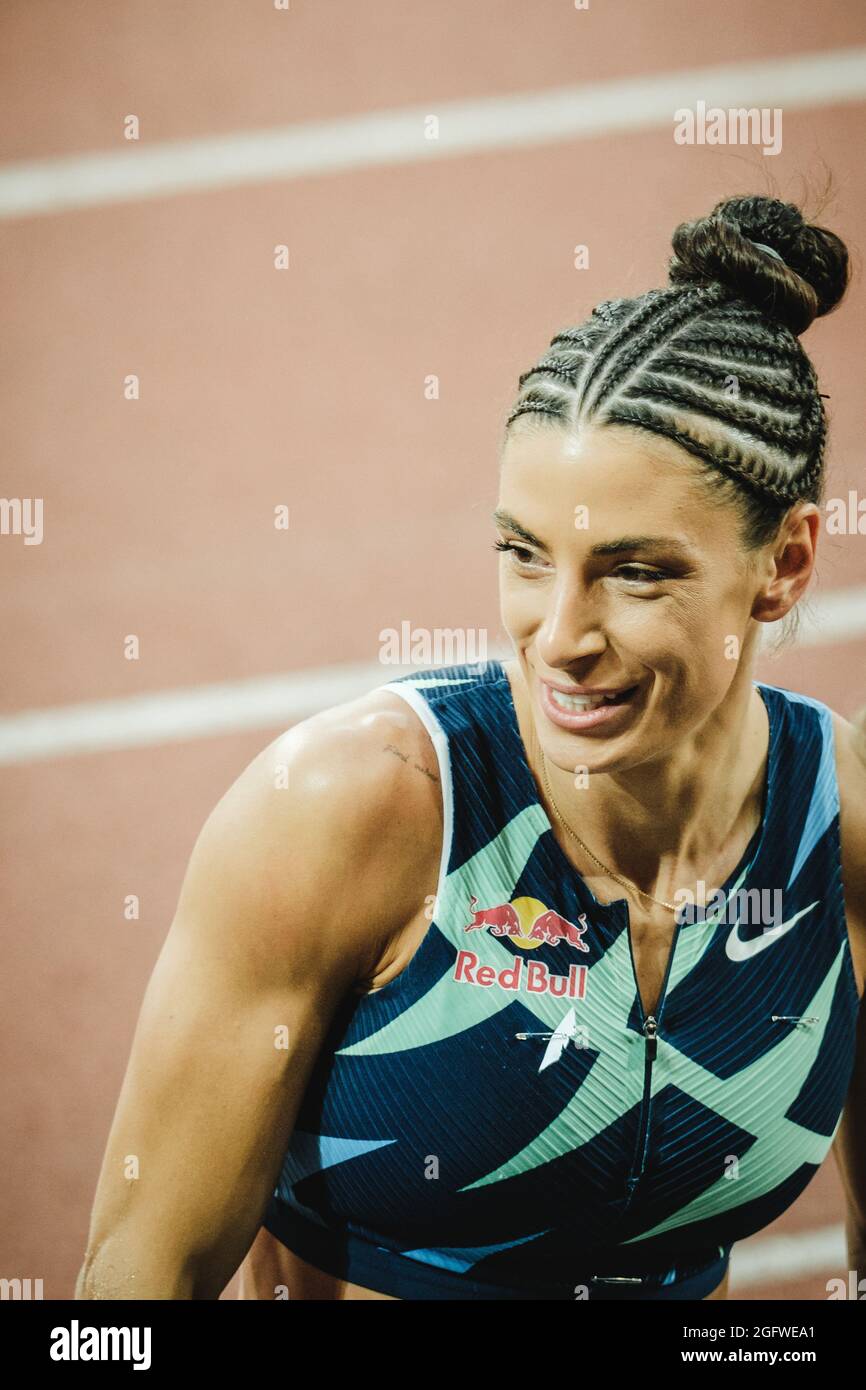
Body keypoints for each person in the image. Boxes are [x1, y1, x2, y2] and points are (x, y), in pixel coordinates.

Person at [76, 194, 866, 1301]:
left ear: (782, 562)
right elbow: (128, 1287)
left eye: (634, 571)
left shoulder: (841, 830)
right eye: (522, 553)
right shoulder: (355, 811)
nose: (559, 637)